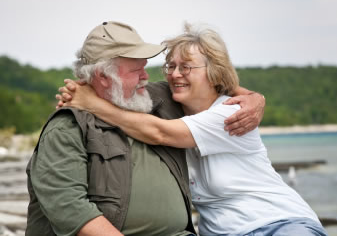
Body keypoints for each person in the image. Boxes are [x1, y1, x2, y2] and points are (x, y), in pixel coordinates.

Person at [58, 23, 328, 236]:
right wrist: (86, 93)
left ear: (214, 73)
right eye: (171, 66)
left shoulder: (232, 112)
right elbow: (120, 91)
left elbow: (159, 133)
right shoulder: (167, 104)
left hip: (279, 224)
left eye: (186, 67)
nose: (175, 74)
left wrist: (90, 103)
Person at [26, 21, 264, 236]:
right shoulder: (67, 128)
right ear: (103, 76)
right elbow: (69, 209)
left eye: (146, 67)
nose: (145, 76)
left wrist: (253, 97)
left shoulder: (153, 100)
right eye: (135, 70)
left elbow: (207, 84)